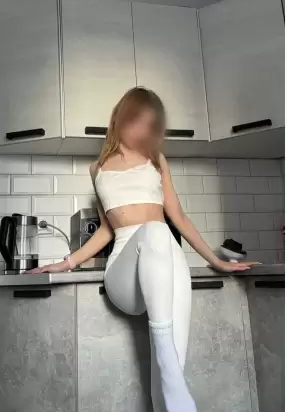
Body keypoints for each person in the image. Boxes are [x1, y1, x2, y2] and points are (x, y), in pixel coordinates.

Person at [28, 87, 258, 411]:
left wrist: (217, 262)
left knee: (170, 379)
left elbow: (178, 217)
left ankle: (169, 377)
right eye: (137, 120)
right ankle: (167, 363)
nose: (142, 130)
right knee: (155, 230)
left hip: (165, 261)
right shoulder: (98, 168)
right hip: (125, 274)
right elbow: (107, 229)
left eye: (150, 125)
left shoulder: (156, 160)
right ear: (120, 117)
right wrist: (67, 263)